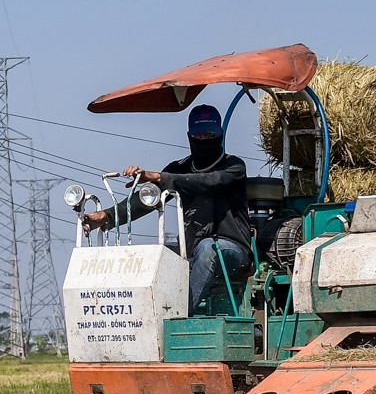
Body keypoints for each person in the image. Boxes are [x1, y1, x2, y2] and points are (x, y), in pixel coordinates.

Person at [83, 103, 252, 310]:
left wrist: (159, 176)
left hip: (233, 250)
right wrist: (107, 216)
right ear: (190, 137)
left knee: (209, 248)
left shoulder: (233, 166)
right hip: (191, 249)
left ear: (220, 135)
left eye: (210, 135)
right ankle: (140, 317)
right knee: (157, 257)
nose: (205, 140)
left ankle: (181, 317)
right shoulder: (179, 168)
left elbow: (208, 181)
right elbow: (148, 199)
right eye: (199, 136)